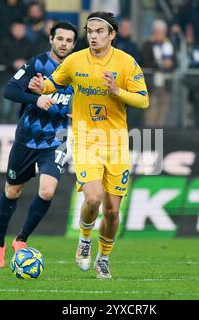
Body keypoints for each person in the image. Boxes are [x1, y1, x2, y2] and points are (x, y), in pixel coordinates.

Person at [29, 11, 149, 279]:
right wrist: (41, 86)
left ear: (112, 35)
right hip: (86, 139)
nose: (93, 36)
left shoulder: (126, 63)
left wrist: (118, 92)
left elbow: (143, 100)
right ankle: (84, 240)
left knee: (112, 209)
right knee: (93, 198)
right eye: (90, 31)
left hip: (116, 143)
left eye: (99, 32)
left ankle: (103, 257)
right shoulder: (74, 61)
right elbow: (54, 82)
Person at [0, 21, 78, 268]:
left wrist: (77, 113)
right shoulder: (37, 64)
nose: (64, 44)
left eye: (69, 40)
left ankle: (21, 240)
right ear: (51, 39)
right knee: (12, 191)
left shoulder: (78, 69)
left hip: (57, 138)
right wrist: (36, 99)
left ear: (73, 44)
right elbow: (9, 90)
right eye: (60, 38)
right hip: (27, 138)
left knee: (47, 191)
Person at [141, 19, 175, 128]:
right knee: (151, 112)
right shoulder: (148, 44)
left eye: (162, 32)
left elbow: (175, 63)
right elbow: (145, 61)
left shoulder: (169, 45)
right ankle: (150, 138)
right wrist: (159, 64)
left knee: (163, 112)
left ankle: (161, 139)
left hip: (166, 84)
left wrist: (170, 64)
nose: (160, 35)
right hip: (152, 84)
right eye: (158, 32)